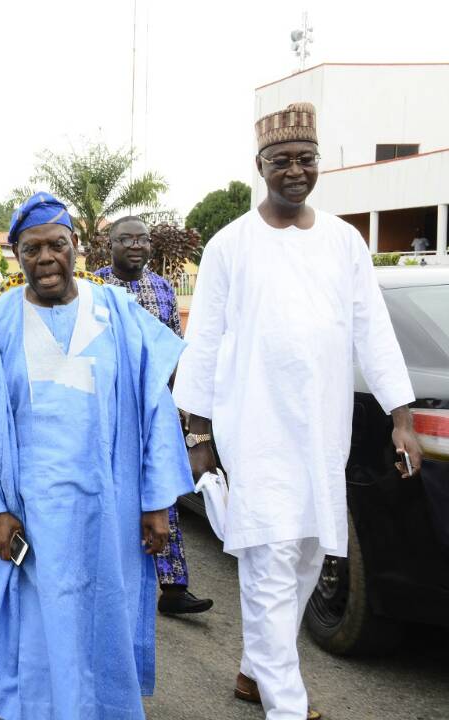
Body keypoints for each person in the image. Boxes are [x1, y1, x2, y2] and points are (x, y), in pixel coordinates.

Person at [174, 103, 422, 720]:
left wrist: (402, 416)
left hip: (322, 432)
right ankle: (287, 705)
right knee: (271, 561)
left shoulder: (344, 241)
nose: (295, 170)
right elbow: (202, 343)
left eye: (305, 158)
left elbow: (374, 332)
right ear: (259, 166)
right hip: (255, 433)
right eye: (281, 160)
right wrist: (199, 436)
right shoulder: (230, 244)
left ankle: (254, 671)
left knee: (311, 554)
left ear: (319, 164)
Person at [0, 191, 193, 719]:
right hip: (29, 518)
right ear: (16, 254)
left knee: (103, 618)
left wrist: (157, 503)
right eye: (31, 249)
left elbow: (155, 408)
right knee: (36, 628)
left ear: (75, 245)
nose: (45, 257)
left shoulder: (118, 314)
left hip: (109, 513)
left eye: (56, 244)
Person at [96, 215, 214, 616]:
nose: (135, 246)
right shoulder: (93, 288)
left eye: (142, 240)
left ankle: (175, 588)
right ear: (108, 245)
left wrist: (180, 405)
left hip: (154, 406)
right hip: (108, 409)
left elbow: (175, 351)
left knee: (161, 492)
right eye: (125, 239)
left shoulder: (163, 289)